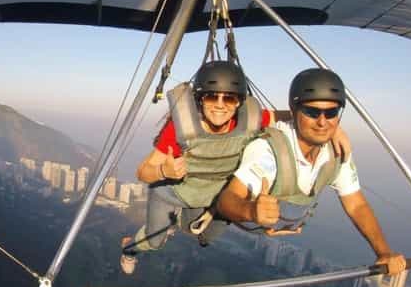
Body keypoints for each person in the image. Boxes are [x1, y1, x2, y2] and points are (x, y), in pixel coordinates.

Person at [120, 61, 349, 275]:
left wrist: (330, 127)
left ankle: (180, 223)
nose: (220, 106)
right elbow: (143, 171)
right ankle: (129, 249)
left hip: (215, 196)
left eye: (229, 99)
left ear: (239, 102)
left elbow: (296, 115)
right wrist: (163, 172)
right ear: (200, 99)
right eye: (212, 97)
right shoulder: (181, 128)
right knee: (154, 241)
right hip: (175, 194)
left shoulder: (247, 121)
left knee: (205, 237)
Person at [215, 68, 406, 276]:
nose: (322, 122)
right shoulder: (269, 150)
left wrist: (384, 251)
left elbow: (356, 204)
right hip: (253, 225)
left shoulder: (336, 152)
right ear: (294, 110)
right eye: (312, 112)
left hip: (287, 222)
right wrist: (250, 211)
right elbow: (227, 200)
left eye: (331, 113)